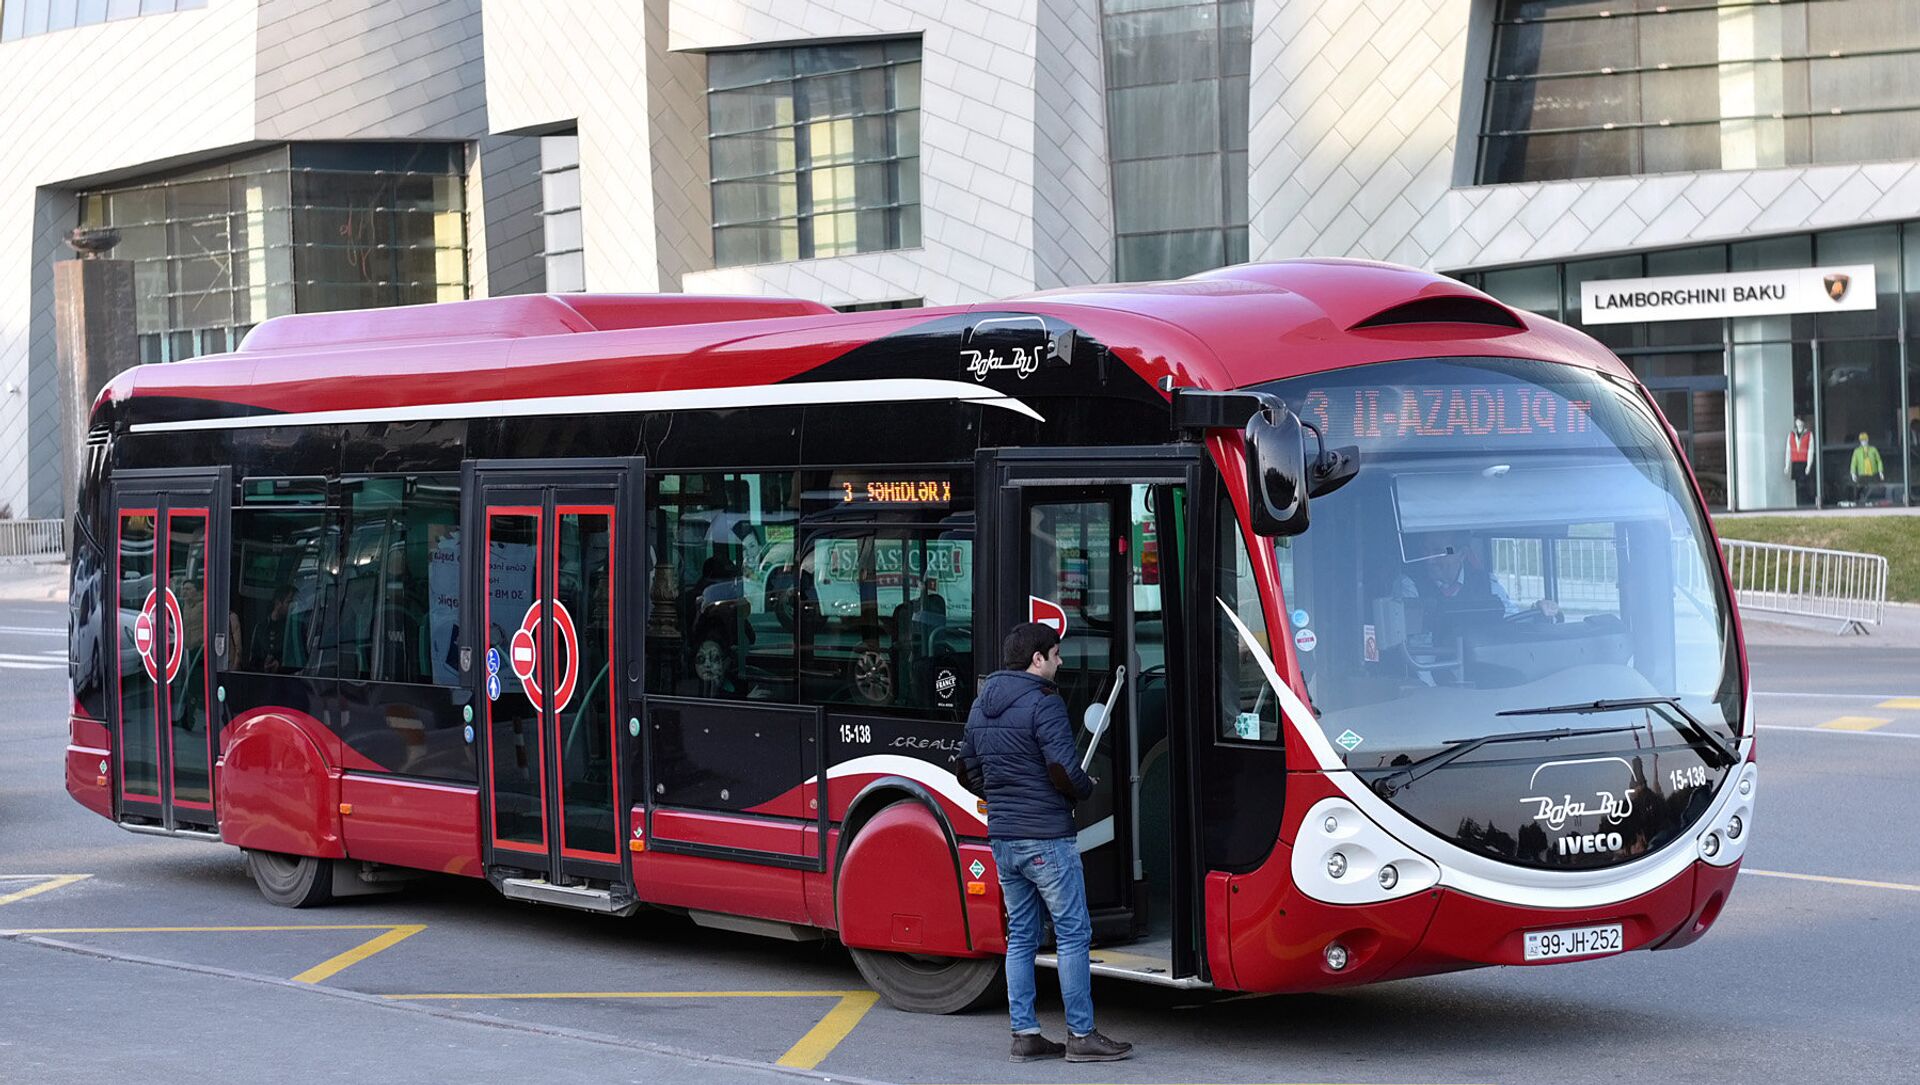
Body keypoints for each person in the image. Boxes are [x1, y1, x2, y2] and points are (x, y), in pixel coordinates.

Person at [957, 622, 1132, 1064]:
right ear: (1037, 659)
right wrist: (1084, 789)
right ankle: (1081, 1034)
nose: (1060, 661)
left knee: (1021, 934)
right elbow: (1062, 769)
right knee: (1073, 932)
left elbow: (966, 770)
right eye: (1055, 654)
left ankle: (1026, 1035)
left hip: (1004, 836)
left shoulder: (981, 703)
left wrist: (1002, 797)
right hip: (1047, 836)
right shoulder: (1044, 703)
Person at [1393, 530, 1559, 621]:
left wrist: (1537, 610)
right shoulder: (1408, 587)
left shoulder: (1488, 584)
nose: (1429, 560)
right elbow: (1415, 646)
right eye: (1425, 550)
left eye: (1438, 552)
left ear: (1462, 554)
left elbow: (1512, 620)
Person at [1784, 417, 1814, 507]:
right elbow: (1788, 451)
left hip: (1804, 462)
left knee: (1804, 484)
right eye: (1797, 421)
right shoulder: (1791, 435)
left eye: (1801, 421)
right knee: (1798, 485)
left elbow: (1810, 450)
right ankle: (1799, 503)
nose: (1799, 423)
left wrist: (1809, 465)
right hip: (1795, 462)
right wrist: (1787, 465)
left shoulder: (1808, 434)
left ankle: (1804, 503)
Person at [1849, 431, 1885, 505]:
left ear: (1868, 440)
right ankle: (1860, 500)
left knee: (1873, 488)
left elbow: (1879, 461)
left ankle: (1872, 501)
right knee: (1861, 488)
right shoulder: (1857, 451)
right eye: (1862, 440)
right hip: (1862, 474)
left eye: (1865, 440)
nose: (1864, 442)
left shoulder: (1873, 450)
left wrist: (1880, 471)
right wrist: (1853, 473)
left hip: (1873, 474)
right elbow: (1853, 463)